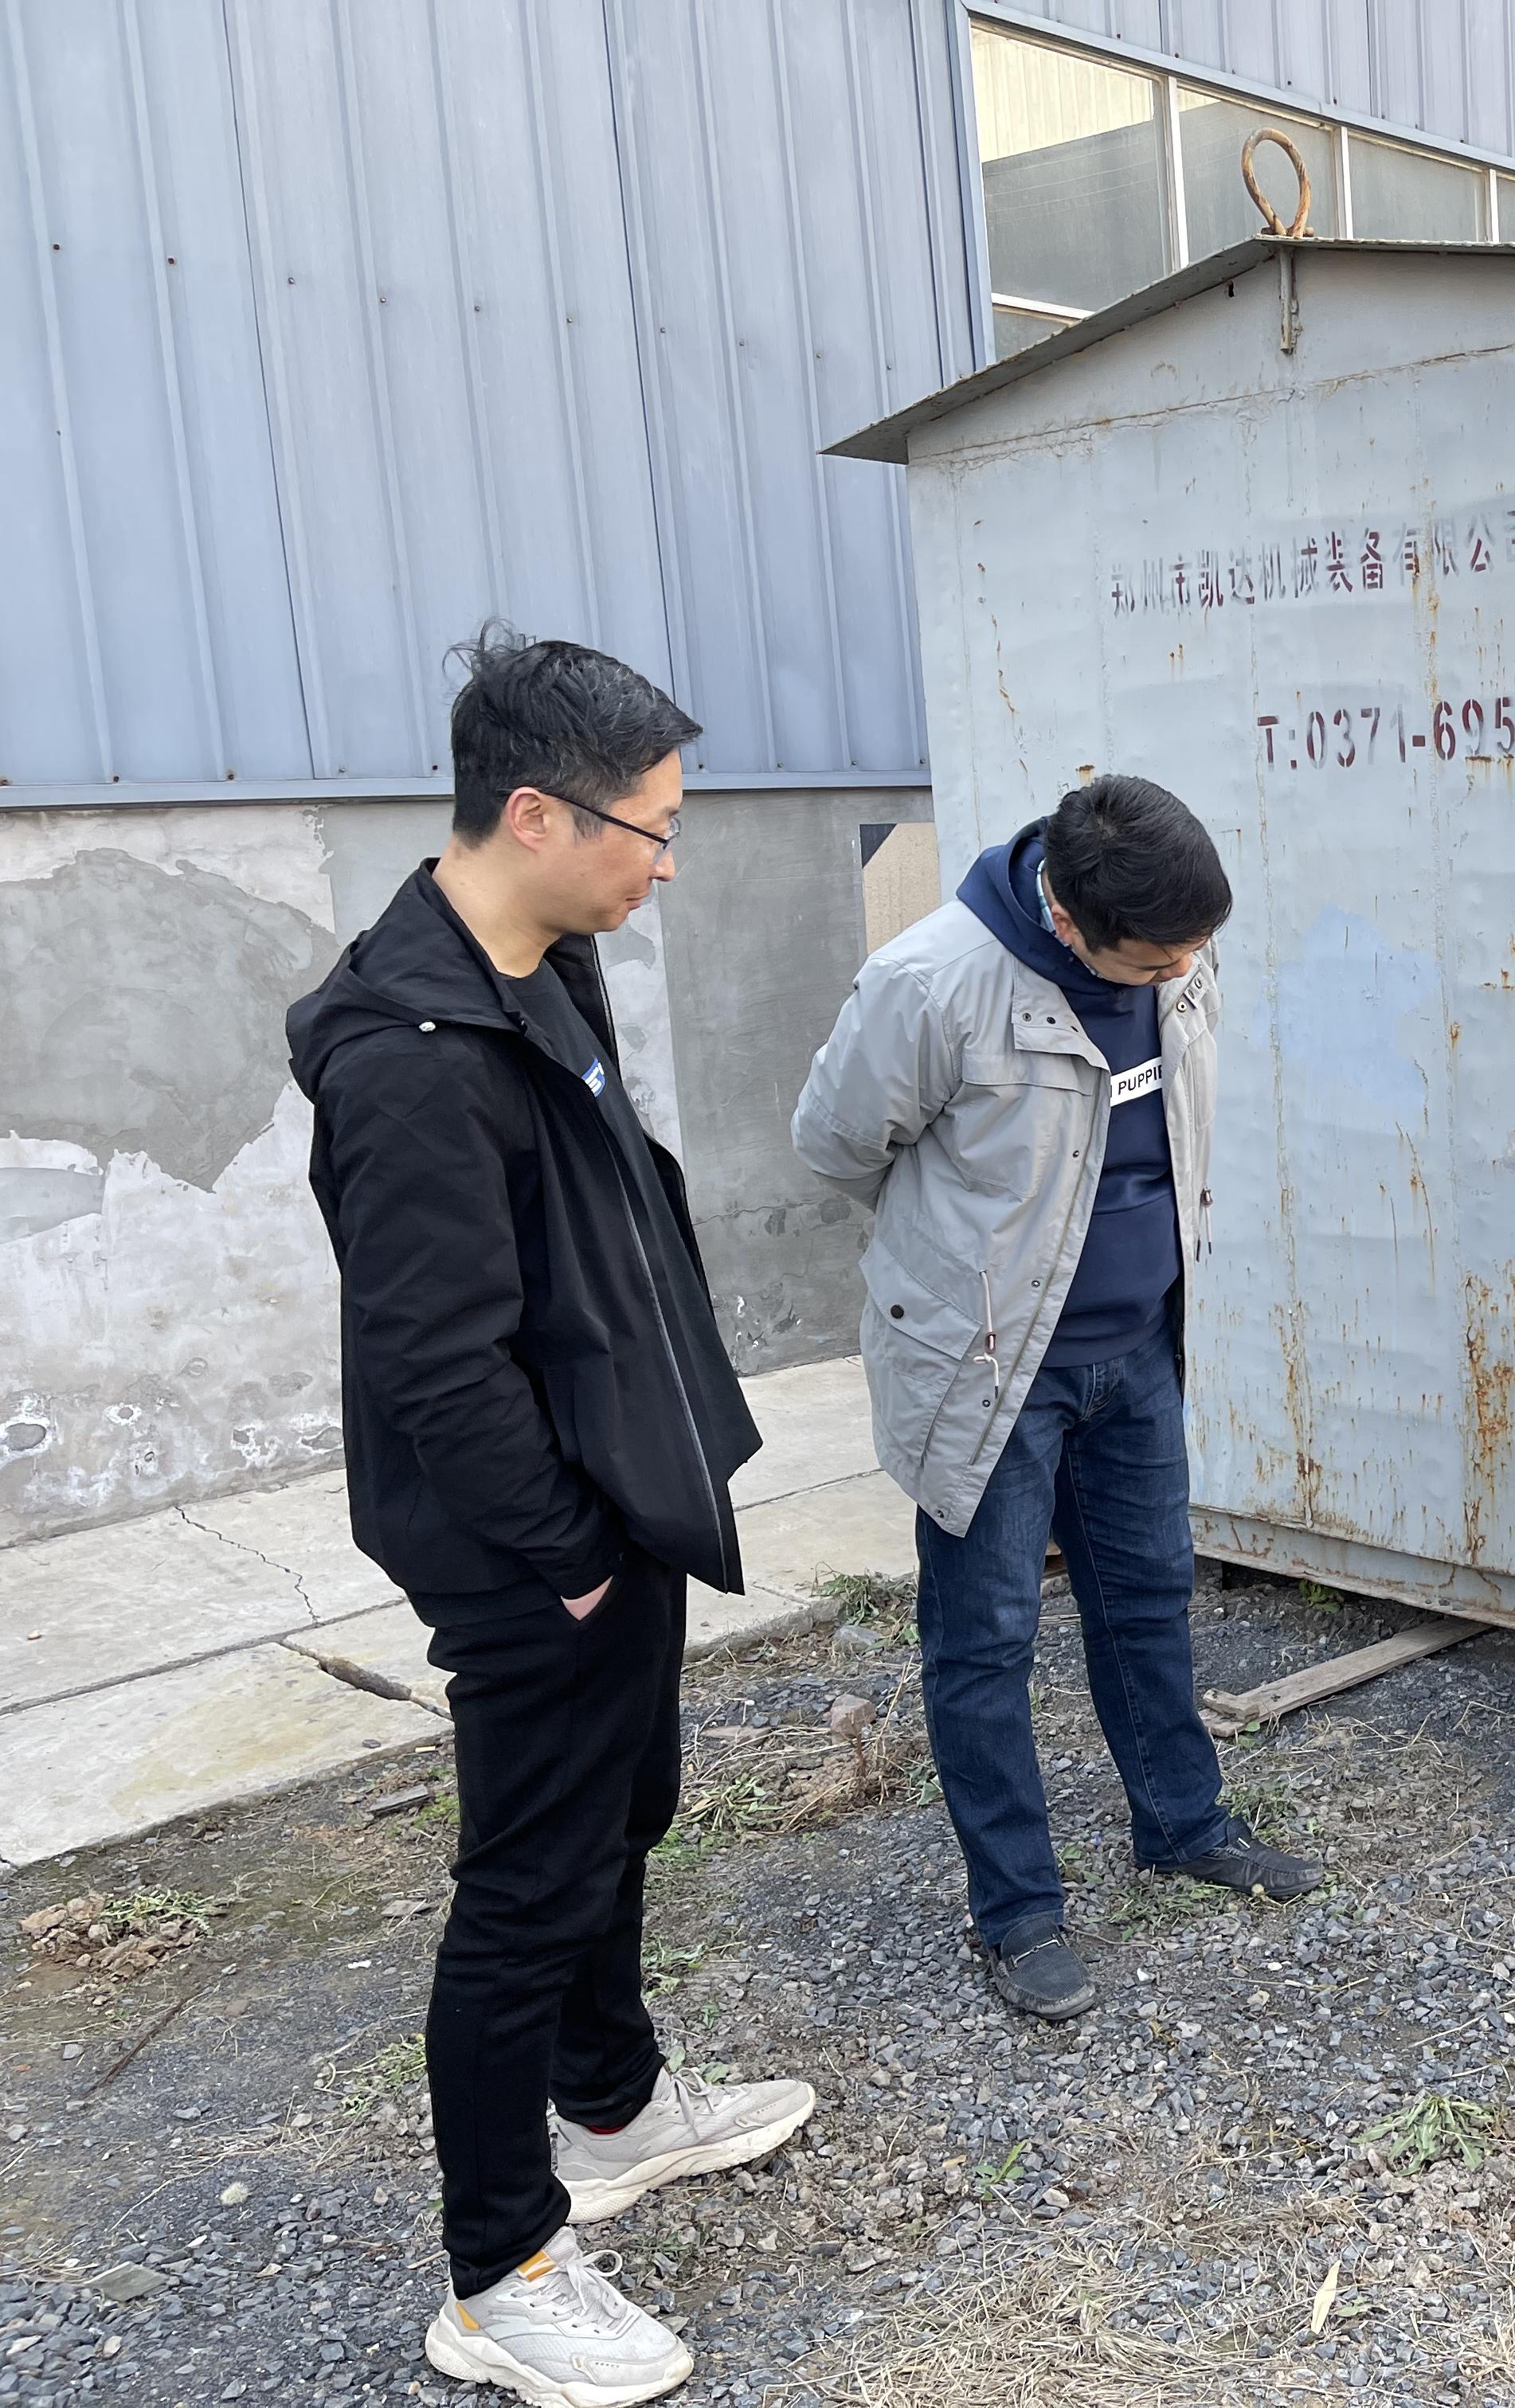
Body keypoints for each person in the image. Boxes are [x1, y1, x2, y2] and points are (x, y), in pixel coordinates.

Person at [288, 631, 816, 2408]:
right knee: (523, 1888)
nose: (666, 864)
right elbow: (438, 1367)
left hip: (613, 1503)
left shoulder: (543, 962)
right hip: (537, 1551)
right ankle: (499, 2265)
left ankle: (611, 2101)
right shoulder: (407, 1059)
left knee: (625, 1811)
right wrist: (572, 1558)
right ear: (536, 812)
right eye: (647, 831)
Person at [792, 777, 1318, 2026]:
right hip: (991, 1368)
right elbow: (833, 1143)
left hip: (1135, 1348)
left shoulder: (1173, 956)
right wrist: (972, 1257)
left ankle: (1184, 1825)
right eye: (1156, 959)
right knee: (983, 1644)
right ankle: (1017, 1911)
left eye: (1197, 952)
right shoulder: (933, 985)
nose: (1182, 974)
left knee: (1149, 1600)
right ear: (1071, 924)